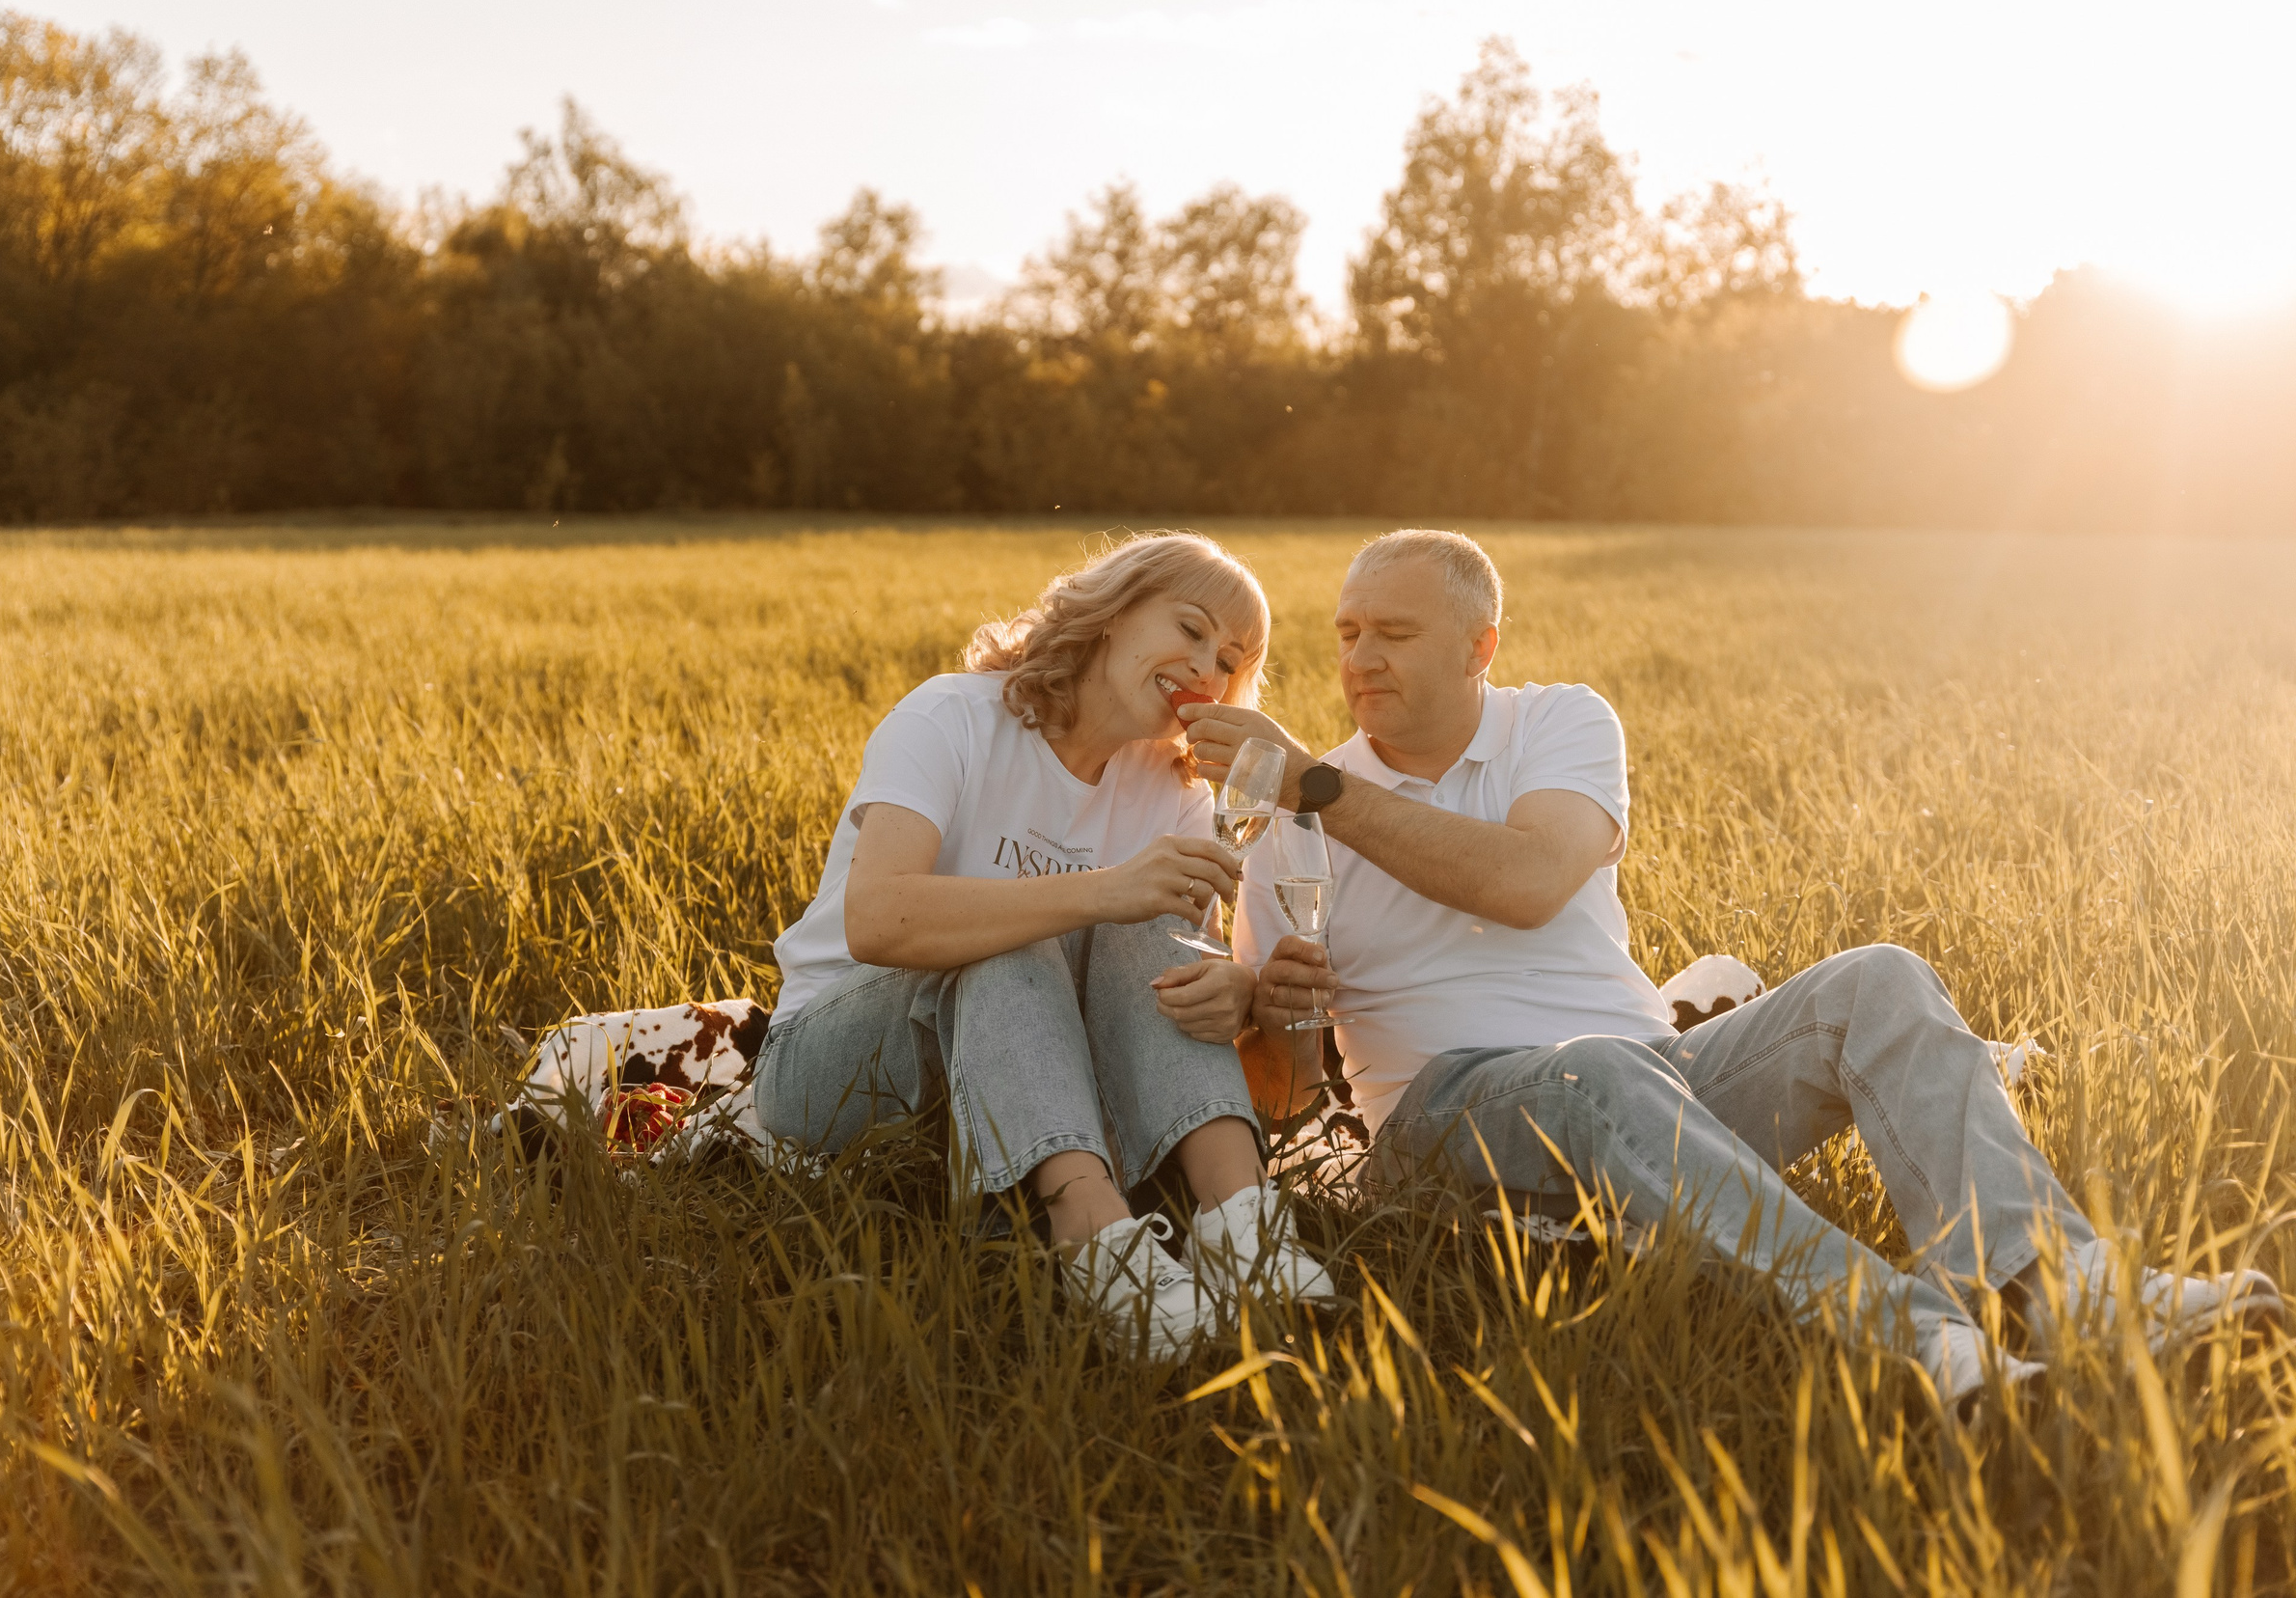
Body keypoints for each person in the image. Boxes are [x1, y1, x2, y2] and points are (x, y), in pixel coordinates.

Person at [1186, 528, 2281, 1414]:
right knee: (1595, 1075)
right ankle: (1920, 1344)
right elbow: (1280, 1095)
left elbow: (1528, 881)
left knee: (1878, 979)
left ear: (1479, 646)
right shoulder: (1289, 814)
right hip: (1445, 1127)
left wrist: (1323, 793)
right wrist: (1277, 1015)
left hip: (1654, 1075)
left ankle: (2062, 1288)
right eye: (1345, 633)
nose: (1360, 658)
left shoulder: (1553, 724)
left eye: (1395, 632)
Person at [755, 532, 1334, 1364]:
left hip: (1027, 1062)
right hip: (831, 1065)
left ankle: (1240, 1227)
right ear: (1114, 611)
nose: (1208, 664)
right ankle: (1095, 1239)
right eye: (1191, 628)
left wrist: (1232, 987)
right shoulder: (951, 715)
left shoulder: (1171, 788)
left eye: (1231, 657)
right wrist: (1103, 890)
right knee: (1011, 939)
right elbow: (875, 919)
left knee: (1146, 920)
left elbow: (1164, 975)